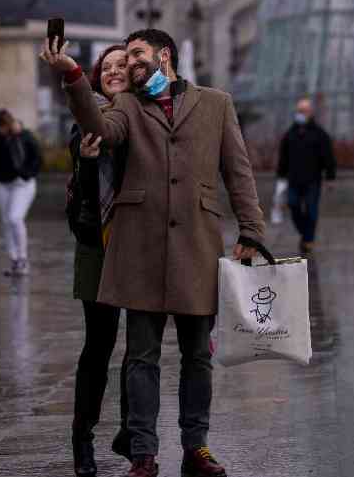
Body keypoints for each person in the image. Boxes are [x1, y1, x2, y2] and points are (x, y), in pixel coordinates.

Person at [42, 28, 266, 477]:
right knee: (141, 357)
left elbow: (237, 171)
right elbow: (98, 127)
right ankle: (143, 453)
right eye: (127, 57)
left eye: (138, 55)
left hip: (197, 247)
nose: (131, 64)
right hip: (139, 249)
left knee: (197, 355)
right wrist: (72, 77)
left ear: (164, 55)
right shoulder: (127, 105)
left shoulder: (216, 103)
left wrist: (253, 229)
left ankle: (195, 448)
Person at [67, 45, 132, 477]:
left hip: (140, 246)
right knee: (99, 346)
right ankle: (83, 438)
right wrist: (89, 164)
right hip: (98, 243)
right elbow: (86, 199)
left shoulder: (146, 119)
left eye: (121, 66)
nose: (112, 72)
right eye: (105, 67)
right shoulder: (86, 128)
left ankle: (131, 429)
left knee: (141, 347)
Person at [276, 96, 336, 254]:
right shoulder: (290, 133)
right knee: (293, 205)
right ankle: (305, 234)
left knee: (311, 210)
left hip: (312, 180)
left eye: (303, 111)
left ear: (310, 112)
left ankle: (308, 240)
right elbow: (284, 156)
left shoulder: (319, 134)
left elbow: (328, 157)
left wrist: (330, 177)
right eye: (299, 111)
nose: (300, 114)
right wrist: (281, 176)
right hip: (294, 179)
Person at [0, 109, 41, 277]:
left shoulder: (24, 136)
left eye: (3, 126)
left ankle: (23, 259)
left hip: (22, 184)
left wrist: (27, 173)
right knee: (6, 222)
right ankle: (14, 259)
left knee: (15, 218)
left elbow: (37, 157)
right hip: (3, 183)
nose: (0, 130)